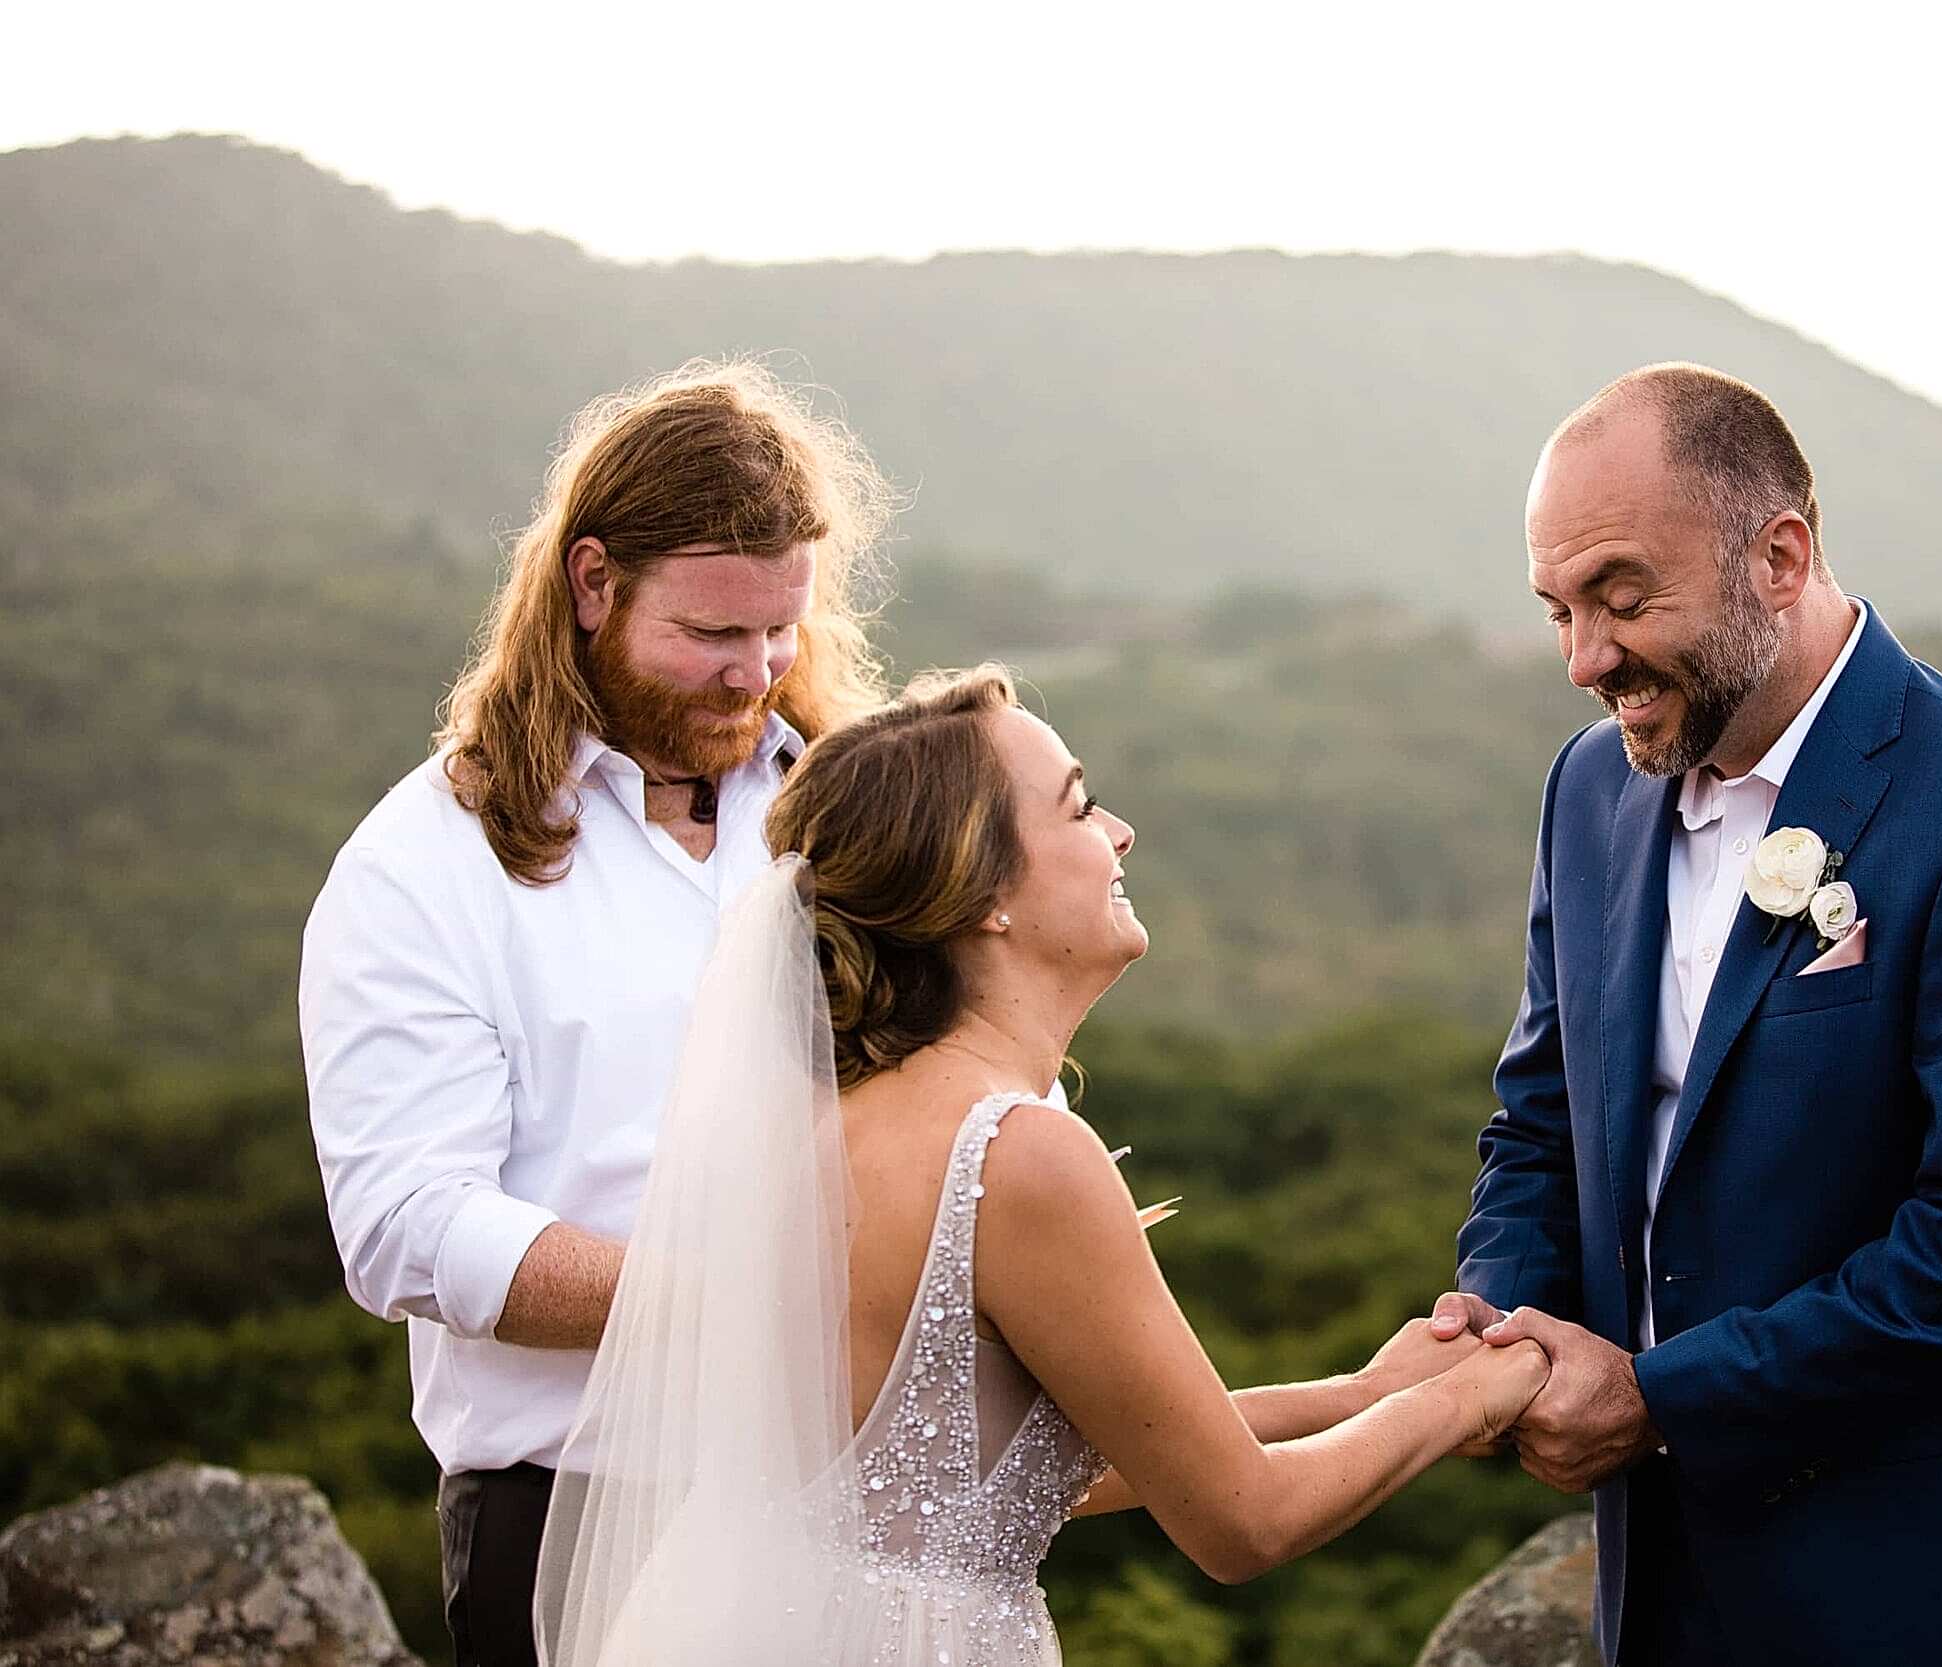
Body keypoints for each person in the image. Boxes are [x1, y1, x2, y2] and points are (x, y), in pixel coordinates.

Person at [534, 667, 1550, 1666]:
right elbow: (1246, 1520)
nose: (1119, 833)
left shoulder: (819, 1120)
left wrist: (1360, 1391)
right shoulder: (1014, 1154)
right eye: (1080, 806)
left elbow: (1011, 1473)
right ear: (983, 893)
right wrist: (1482, 1389)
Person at [1433, 363, 1942, 1664]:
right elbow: (1543, 1120)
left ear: (1778, 554)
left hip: (1932, 1591)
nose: (1588, 657)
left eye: (1623, 597)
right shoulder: (1590, 787)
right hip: (1657, 1586)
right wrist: (1497, 1319)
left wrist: (1656, 1400)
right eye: (1558, 610)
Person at [301, 360, 895, 1666]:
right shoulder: (424, 863)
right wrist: (733, 1304)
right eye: (710, 634)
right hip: (573, 1520)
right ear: (590, 583)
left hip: (871, 1507)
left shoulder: (851, 810)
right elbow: (405, 1226)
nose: (755, 673)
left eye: (780, 628)